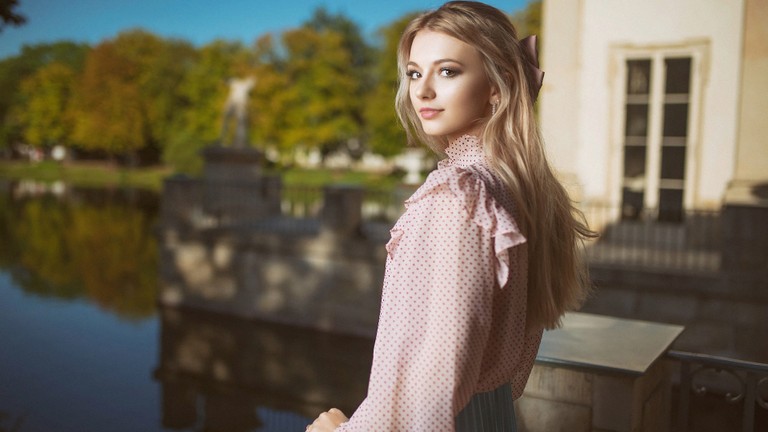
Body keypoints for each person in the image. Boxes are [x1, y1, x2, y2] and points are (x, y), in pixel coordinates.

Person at [308, 1, 595, 431]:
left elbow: (436, 379)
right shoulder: (518, 189)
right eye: (414, 73)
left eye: (447, 71)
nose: (421, 91)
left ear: (497, 86)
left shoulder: (458, 195)